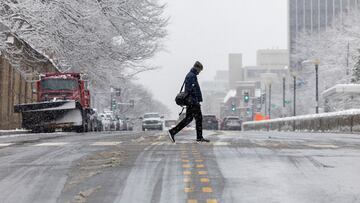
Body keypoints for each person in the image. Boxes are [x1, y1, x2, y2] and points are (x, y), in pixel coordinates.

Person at [167, 61, 210, 143]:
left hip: (191, 101)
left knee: (188, 119)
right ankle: (199, 137)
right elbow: (191, 89)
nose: (200, 72)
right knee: (199, 119)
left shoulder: (191, 75)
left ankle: (173, 131)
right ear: (197, 68)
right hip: (193, 102)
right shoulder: (192, 76)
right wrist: (195, 101)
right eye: (200, 70)